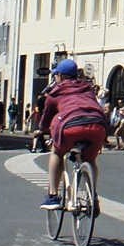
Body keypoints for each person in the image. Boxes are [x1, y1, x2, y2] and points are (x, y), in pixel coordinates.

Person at [38, 58, 108, 213]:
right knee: (90, 159)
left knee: (56, 152)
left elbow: (45, 119)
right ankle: (92, 196)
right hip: (97, 126)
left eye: (56, 75)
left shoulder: (55, 93)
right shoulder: (88, 89)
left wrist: (41, 129)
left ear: (60, 76)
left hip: (71, 128)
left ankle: (53, 195)